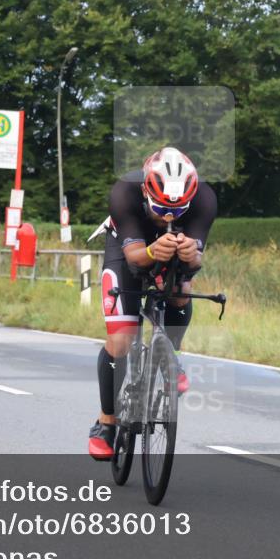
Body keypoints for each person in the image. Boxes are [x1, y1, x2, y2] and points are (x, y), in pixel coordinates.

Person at [88, 146, 217, 460]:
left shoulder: (205, 198)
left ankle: (171, 353)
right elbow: (134, 257)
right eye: (160, 209)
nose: (170, 216)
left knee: (182, 289)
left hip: (172, 247)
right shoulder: (125, 192)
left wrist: (192, 253)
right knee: (120, 341)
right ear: (146, 190)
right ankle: (106, 421)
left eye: (178, 208)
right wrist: (150, 252)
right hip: (127, 247)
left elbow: (197, 257)